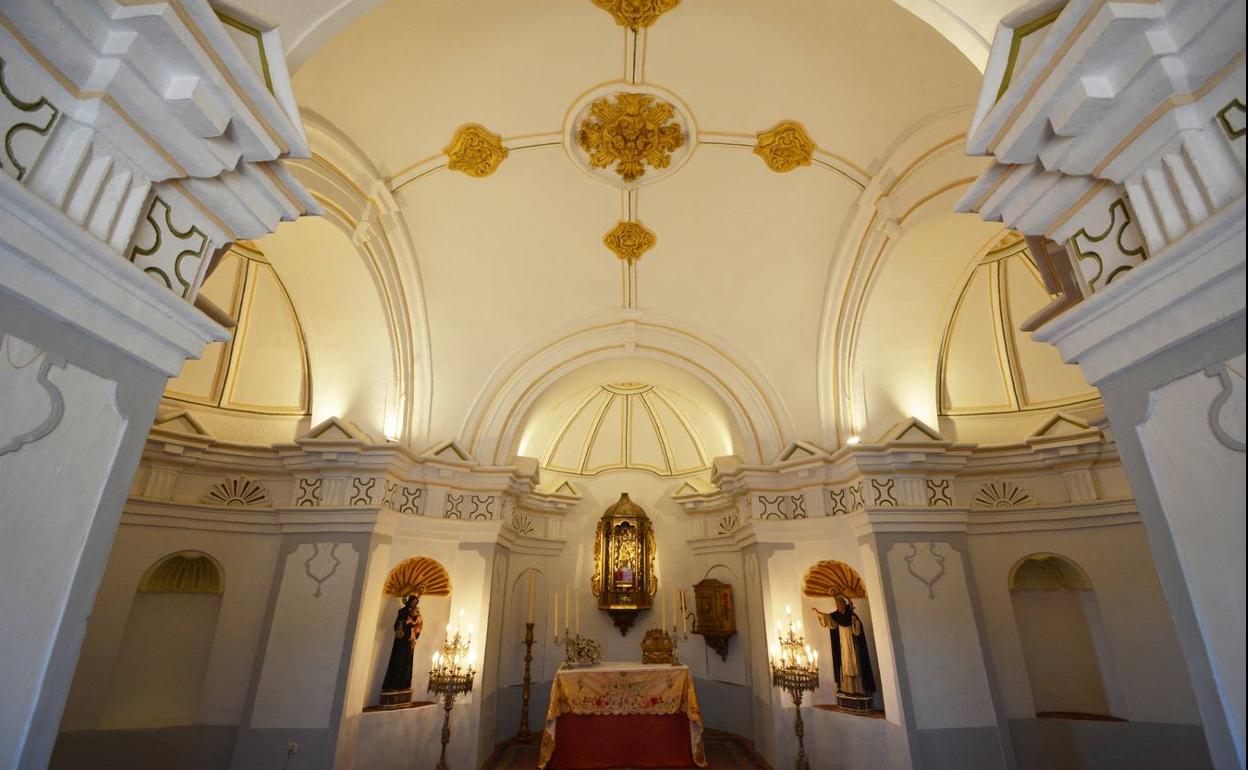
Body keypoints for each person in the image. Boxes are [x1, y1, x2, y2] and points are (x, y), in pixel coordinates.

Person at [814, 596, 876, 702]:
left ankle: (859, 689)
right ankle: (846, 689)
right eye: (838, 605)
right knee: (845, 664)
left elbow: (857, 631)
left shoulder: (851, 615)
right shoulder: (837, 616)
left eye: (841, 604)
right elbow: (829, 620)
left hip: (853, 644)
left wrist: (854, 621)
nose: (839, 607)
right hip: (843, 646)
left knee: (856, 663)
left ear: (844, 605)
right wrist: (819, 614)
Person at [380, 594, 423, 695]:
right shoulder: (402, 611)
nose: (414, 604)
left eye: (416, 603)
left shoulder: (416, 613)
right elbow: (396, 625)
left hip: (410, 640)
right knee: (398, 661)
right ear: (409, 601)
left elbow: (419, 625)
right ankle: (393, 684)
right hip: (401, 640)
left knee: (407, 662)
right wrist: (405, 623)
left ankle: (404, 684)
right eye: (413, 602)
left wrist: (413, 624)